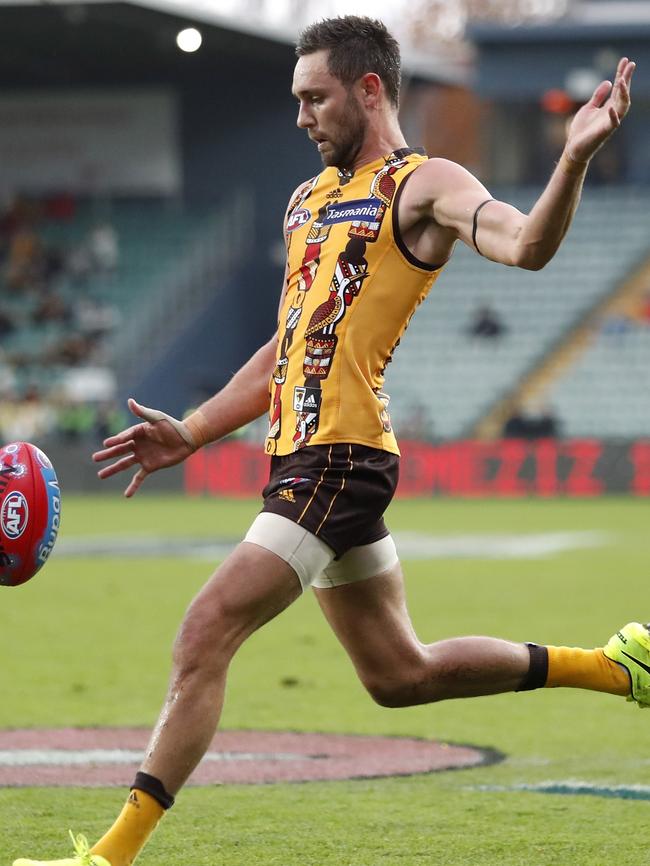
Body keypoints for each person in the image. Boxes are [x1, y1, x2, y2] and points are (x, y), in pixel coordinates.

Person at [14, 16, 640, 866]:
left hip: (341, 457)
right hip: (307, 457)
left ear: (369, 89)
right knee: (399, 677)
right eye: (297, 100)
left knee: (204, 632)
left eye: (316, 98)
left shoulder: (424, 183)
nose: (302, 116)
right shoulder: (305, 202)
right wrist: (193, 432)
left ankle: (110, 855)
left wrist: (572, 156)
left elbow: (525, 245)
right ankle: (614, 667)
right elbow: (287, 345)